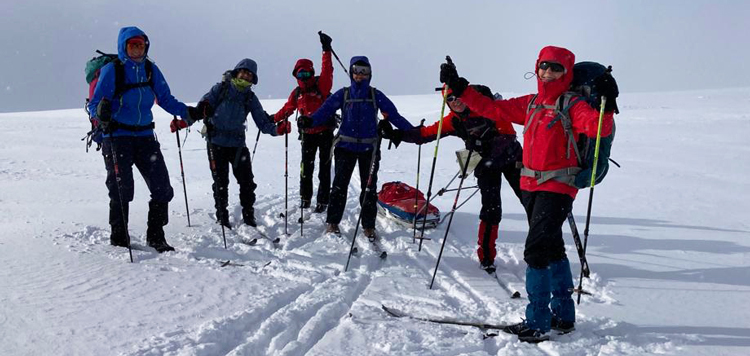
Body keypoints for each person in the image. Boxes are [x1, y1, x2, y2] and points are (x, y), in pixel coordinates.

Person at [439, 46, 617, 343]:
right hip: (531, 185)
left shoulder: (573, 105)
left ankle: (537, 321)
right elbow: (493, 108)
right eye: (544, 66)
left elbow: (597, 127)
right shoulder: (532, 103)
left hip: (559, 186)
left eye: (556, 68)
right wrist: (460, 88)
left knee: (535, 251)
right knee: (553, 248)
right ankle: (563, 316)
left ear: (567, 72)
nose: (548, 72)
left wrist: (607, 105)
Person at [381, 84, 523, 274]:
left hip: (512, 159)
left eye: (457, 97)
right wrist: (397, 134)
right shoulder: (454, 120)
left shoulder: (487, 107)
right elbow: (426, 134)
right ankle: (487, 258)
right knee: (491, 209)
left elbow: (508, 133)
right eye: (450, 100)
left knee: (532, 202)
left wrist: (483, 145)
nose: (455, 102)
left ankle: (546, 250)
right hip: (485, 166)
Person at [88, 26, 203, 253]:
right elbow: (95, 104)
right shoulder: (113, 70)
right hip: (117, 136)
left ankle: (156, 237)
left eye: (141, 45)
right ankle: (119, 240)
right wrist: (101, 115)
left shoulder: (151, 70)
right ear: (124, 47)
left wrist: (187, 112)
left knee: (162, 188)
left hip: (144, 137)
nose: (137, 49)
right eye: (132, 45)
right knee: (122, 189)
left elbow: (165, 99)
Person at [296, 56, 414, 239]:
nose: (360, 74)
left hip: (370, 149)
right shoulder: (343, 94)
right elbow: (324, 111)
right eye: (356, 70)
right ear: (351, 73)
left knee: (369, 189)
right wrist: (310, 120)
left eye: (364, 71)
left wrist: (414, 131)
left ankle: (368, 226)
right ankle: (333, 223)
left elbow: (394, 115)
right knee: (339, 187)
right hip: (345, 146)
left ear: (370, 74)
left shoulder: (375, 95)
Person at [170, 59, 291, 228]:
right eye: (243, 72)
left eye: (249, 74)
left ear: (253, 79)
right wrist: (183, 123)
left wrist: (278, 130)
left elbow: (263, 123)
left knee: (247, 182)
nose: (246, 76)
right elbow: (201, 109)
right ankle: (222, 216)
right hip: (216, 142)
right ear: (236, 72)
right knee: (220, 183)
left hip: (238, 145)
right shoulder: (220, 89)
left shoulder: (250, 97)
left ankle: (249, 216)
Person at [272, 31, 336, 214]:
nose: (304, 76)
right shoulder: (296, 93)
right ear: (296, 75)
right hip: (307, 136)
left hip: (325, 133)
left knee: (324, 169)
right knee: (305, 169)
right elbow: (287, 109)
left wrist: (326, 50)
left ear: (312, 73)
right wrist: (273, 118)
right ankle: (305, 198)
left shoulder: (321, 85)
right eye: (301, 73)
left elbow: (327, 70)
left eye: (307, 72)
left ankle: (323, 200)